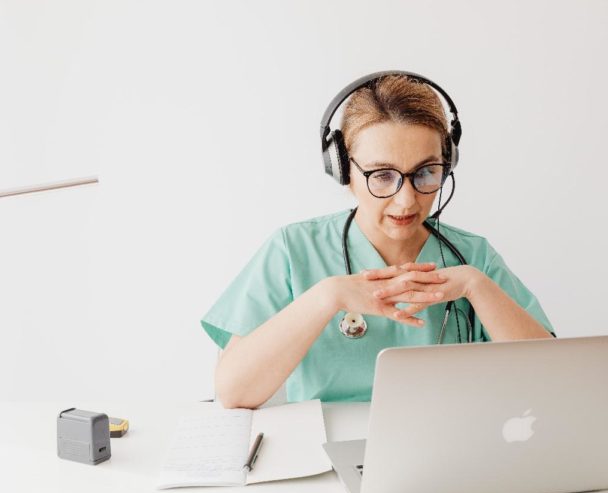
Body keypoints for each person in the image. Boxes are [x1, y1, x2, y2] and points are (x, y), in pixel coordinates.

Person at [202, 72, 555, 409]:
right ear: (344, 171)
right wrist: (328, 297)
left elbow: (551, 380)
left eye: (426, 172)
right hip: (329, 456)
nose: (406, 200)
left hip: (449, 450)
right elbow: (234, 393)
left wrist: (477, 287)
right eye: (382, 176)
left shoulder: (472, 256)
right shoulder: (293, 250)